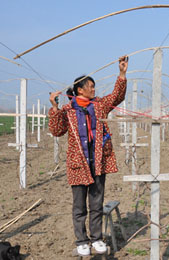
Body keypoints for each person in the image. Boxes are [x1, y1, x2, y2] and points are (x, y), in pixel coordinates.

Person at [48, 56, 128, 256]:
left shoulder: (99, 105)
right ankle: (81, 240)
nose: (94, 89)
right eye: (90, 87)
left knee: (96, 204)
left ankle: (97, 238)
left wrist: (122, 74)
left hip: (98, 163)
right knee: (79, 206)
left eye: (94, 86)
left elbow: (116, 97)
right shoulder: (68, 110)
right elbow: (57, 131)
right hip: (78, 165)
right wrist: (55, 108)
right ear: (80, 90)